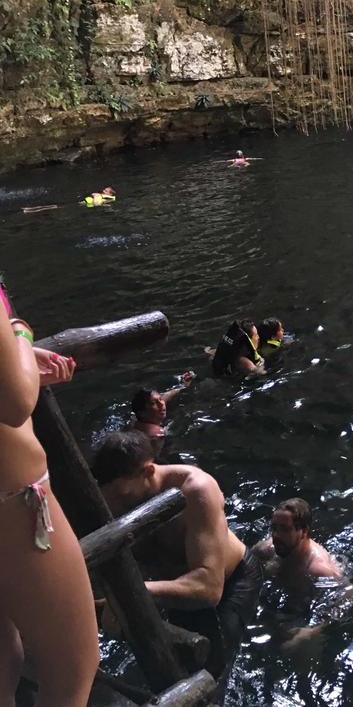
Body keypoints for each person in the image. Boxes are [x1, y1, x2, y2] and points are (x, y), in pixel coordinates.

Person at [92, 431, 263, 685]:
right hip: (173, 583)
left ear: (149, 472)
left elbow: (209, 589)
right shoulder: (113, 495)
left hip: (228, 583)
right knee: (169, 665)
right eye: (110, 500)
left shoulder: (195, 490)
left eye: (123, 497)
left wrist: (130, 594)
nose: (115, 508)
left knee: (209, 677)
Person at [0, 299, 99, 707]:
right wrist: (20, 332)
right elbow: (13, 400)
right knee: (72, 668)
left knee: (4, 659)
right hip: (12, 501)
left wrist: (14, 359)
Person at [253, 499, 349, 654]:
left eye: (284, 529)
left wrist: (310, 632)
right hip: (276, 606)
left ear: (304, 531)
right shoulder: (266, 550)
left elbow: (345, 601)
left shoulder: (320, 570)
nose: (276, 535)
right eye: (274, 528)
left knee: (304, 648)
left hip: (303, 612)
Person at [131, 374, 194, 440]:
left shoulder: (136, 418)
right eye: (153, 403)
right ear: (142, 413)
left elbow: (165, 397)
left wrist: (183, 385)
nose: (161, 404)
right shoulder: (156, 434)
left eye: (160, 399)